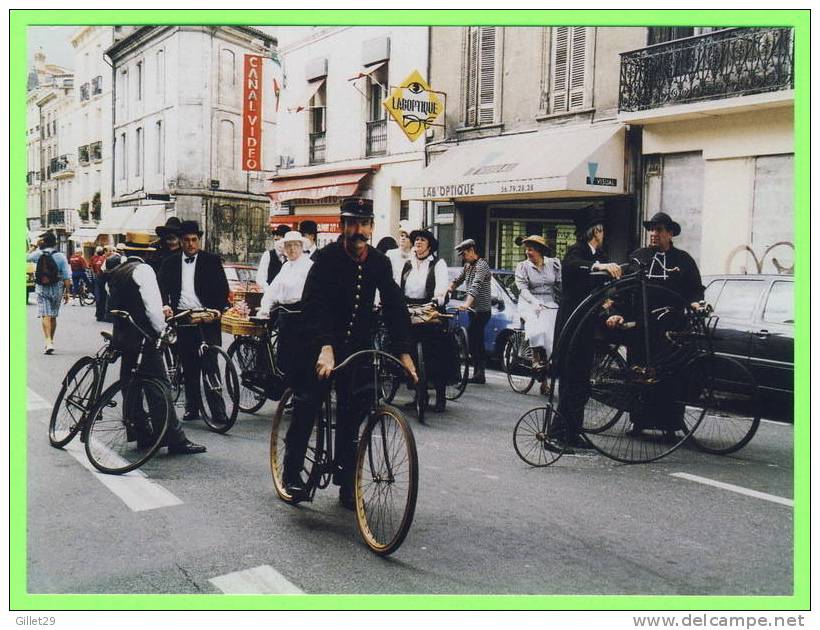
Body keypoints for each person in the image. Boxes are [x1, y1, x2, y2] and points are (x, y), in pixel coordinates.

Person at [282, 197, 417, 509]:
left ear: (370, 227)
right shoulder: (326, 259)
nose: (357, 230)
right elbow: (314, 304)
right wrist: (325, 347)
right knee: (309, 401)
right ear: (342, 226)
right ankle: (291, 472)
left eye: (363, 224)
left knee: (353, 410)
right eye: (351, 223)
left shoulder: (380, 263)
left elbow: (395, 307)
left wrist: (405, 352)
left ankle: (346, 481)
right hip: (319, 341)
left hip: (357, 346)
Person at [605, 212, 705, 437]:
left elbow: (695, 289)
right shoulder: (639, 257)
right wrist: (617, 313)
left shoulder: (683, 260)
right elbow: (623, 290)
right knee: (640, 374)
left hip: (672, 329)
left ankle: (671, 425)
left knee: (670, 377)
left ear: (670, 234)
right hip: (643, 327)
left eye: (659, 230)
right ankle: (638, 422)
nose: (653, 234)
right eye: (651, 229)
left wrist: (697, 303)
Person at [106, 234, 206, 455]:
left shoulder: (118, 272)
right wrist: (163, 330)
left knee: (130, 384)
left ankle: (140, 431)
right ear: (146, 252)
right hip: (144, 337)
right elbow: (152, 309)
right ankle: (173, 438)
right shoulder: (143, 271)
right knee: (160, 385)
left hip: (124, 336)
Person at [554, 209, 622, 450]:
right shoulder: (578, 251)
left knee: (582, 381)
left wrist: (610, 302)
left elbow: (603, 288)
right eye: (602, 229)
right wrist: (600, 267)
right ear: (596, 231)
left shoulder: (599, 254)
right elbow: (575, 267)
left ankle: (574, 431)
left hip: (587, 326)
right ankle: (557, 431)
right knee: (570, 379)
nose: (604, 234)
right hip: (572, 325)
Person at [158, 220, 231, 424]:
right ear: (180, 241)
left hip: (207, 316)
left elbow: (222, 290)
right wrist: (165, 305)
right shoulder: (170, 262)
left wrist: (217, 309)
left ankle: (218, 411)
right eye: (186, 240)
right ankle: (192, 407)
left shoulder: (212, 261)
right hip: (182, 317)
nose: (190, 244)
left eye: (194, 240)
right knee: (189, 366)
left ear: (199, 240)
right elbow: (161, 288)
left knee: (210, 365)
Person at [401, 228, 450, 412]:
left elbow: (442, 286)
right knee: (409, 350)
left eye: (422, 240)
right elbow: (400, 287)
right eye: (416, 240)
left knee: (436, 352)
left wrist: (438, 298)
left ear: (429, 244)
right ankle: (418, 394)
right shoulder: (408, 264)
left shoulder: (438, 264)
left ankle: (440, 396)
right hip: (410, 309)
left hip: (430, 308)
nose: (418, 243)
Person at [257, 231, 314, 381]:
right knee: (284, 356)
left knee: (299, 358)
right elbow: (273, 290)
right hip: (285, 317)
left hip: (301, 316)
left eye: (296, 245)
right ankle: (286, 392)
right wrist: (265, 307)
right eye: (288, 245)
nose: (292, 249)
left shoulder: (309, 266)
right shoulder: (286, 266)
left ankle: (295, 393)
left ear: (302, 247)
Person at [514, 235, 561, 370]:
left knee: (552, 335)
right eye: (526, 249)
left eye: (531, 249)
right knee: (537, 329)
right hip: (529, 302)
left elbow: (560, 285)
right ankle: (535, 357)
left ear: (540, 250)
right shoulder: (523, 266)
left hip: (549, 303)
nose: (527, 252)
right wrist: (534, 302)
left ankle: (548, 368)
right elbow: (522, 289)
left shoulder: (553, 264)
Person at [449, 239, 492, 384]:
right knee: (474, 339)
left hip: (482, 310)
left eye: (465, 253)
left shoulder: (482, 265)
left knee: (474, 338)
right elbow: (458, 280)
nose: (463, 257)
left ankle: (480, 373)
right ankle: (478, 373)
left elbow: (476, 285)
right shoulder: (468, 266)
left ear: (472, 250)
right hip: (473, 310)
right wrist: (448, 290)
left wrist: (467, 303)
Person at [27, 231, 71, 354]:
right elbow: (67, 276)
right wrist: (68, 292)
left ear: (44, 242)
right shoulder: (61, 256)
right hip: (57, 287)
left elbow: (26, 257)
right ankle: (51, 340)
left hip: (42, 287)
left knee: (45, 315)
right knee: (53, 315)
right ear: (55, 243)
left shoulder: (38, 254)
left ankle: (48, 342)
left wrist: (34, 246)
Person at [255, 223, 290, 289]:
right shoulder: (268, 255)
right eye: (275, 240)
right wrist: (268, 290)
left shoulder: (291, 257)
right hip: (270, 294)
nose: (277, 243)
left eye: (279, 240)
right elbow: (260, 277)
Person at [90, 246, 108, 321]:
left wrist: (95, 274)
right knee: (103, 297)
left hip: (97, 278)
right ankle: (102, 314)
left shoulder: (95, 258)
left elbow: (92, 268)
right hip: (103, 279)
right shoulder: (105, 259)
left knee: (98, 297)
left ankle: (98, 314)